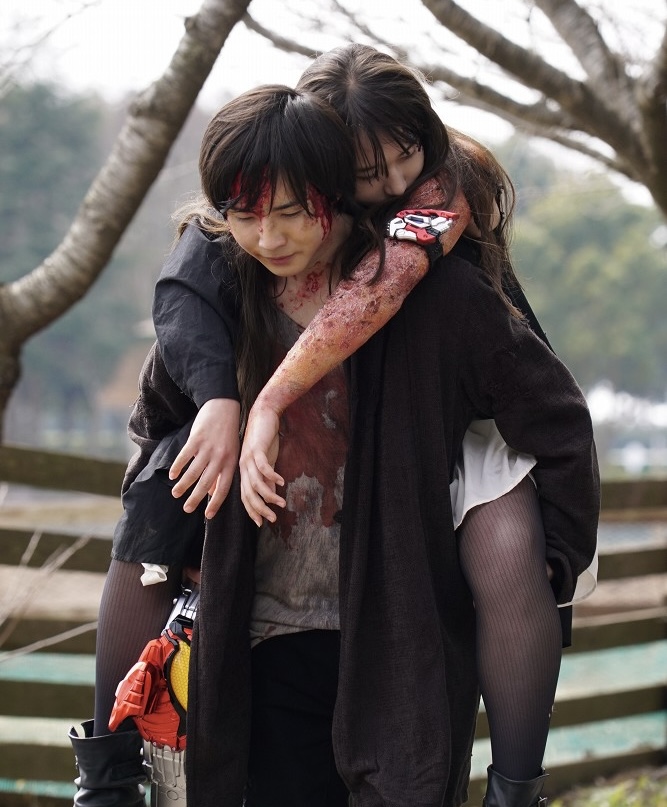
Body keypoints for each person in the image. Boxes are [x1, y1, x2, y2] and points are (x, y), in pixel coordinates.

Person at [154, 46, 597, 806]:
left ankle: (517, 784)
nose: (393, 183)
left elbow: (378, 295)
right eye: (367, 171)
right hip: (285, 606)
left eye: (404, 155)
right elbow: (196, 255)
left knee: (507, 547)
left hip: (457, 413)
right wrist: (221, 400)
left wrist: (267, 402)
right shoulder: (255, 242)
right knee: (145, 508)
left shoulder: (444, 194)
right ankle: (104, 770)